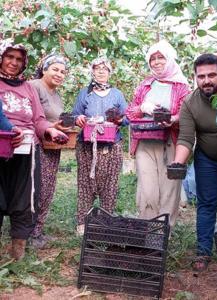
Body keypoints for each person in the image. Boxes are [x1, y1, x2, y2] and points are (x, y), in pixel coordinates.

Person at [173, 53, 217, 270]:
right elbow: (186, 138)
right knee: (206, 204)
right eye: (201, 76)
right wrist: (178, 163)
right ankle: (203, 252)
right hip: (207, 160)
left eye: (212, 75)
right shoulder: (190, 103)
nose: (207, 80)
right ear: (194, 77)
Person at [0, 39, 67, 260]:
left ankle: (17, 254)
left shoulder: (28, 87)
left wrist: (49, 130)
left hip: (26, 151)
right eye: (9, 57)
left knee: (24, 200)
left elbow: (38, 119)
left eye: (19, 59)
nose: (14, 62)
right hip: (1, 147)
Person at [126, 40, 190, 228]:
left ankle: (163, 232)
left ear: (169, 59)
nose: (156, 62)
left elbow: (187, 114)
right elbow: (130, 112)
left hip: (170, 140)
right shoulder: (145, 85)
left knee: (170, 187)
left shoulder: (182, 86)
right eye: (152, 59)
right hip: (145, 141)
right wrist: (142, 107)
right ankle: (147, 229)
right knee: (148, 188)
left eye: (160, 57)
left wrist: (173, 118)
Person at [73, 57, 128, 235]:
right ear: (92, 71)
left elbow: (127, 118)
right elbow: (76, 114)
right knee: (86, 182)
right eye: (97, 68)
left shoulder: (117, 94)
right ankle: (82, 223)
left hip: (112, 145)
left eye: (105, 68)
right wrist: (78, 119)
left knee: (110, 183)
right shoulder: (85, 93)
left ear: (110, 72)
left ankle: (106, 221)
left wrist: (119, 119)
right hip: (87, 145)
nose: (101, 71)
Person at [29, 54, 70, 248]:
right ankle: (28, 233)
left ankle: (37, 231)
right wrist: (51, 127)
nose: (59, 74)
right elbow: (29, 116)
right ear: (44, 69)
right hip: (37, 144)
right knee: (37, 188)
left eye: (63, 72)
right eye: (55, 69)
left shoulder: (56, 94)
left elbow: (51, 120)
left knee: (48, 188)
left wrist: (59, 127)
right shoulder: (34, 86)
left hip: (52, 146)